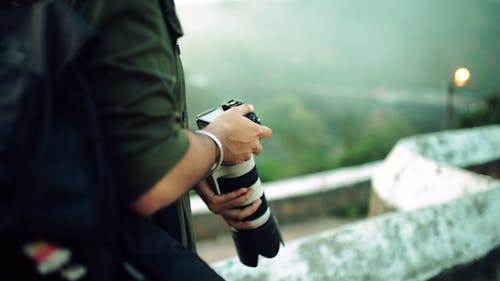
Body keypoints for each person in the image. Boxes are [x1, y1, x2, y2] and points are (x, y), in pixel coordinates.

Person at [73, 0, 272, 279]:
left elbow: (98, 120)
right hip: (114, 252)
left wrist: (189, 162)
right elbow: (150, 177)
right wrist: (216, 144)